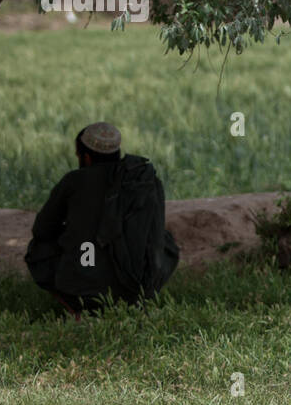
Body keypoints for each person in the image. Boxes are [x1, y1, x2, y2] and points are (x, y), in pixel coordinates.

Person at [25, 122, 179, 319]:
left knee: (40, 248)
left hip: (84, 286)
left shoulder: (74, 181)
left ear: (86, 157)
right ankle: (136, 302)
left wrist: (78, 232)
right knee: (165, 241)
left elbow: (42, 231)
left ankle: (77, 307)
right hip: (138, 286)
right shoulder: (144, 180)